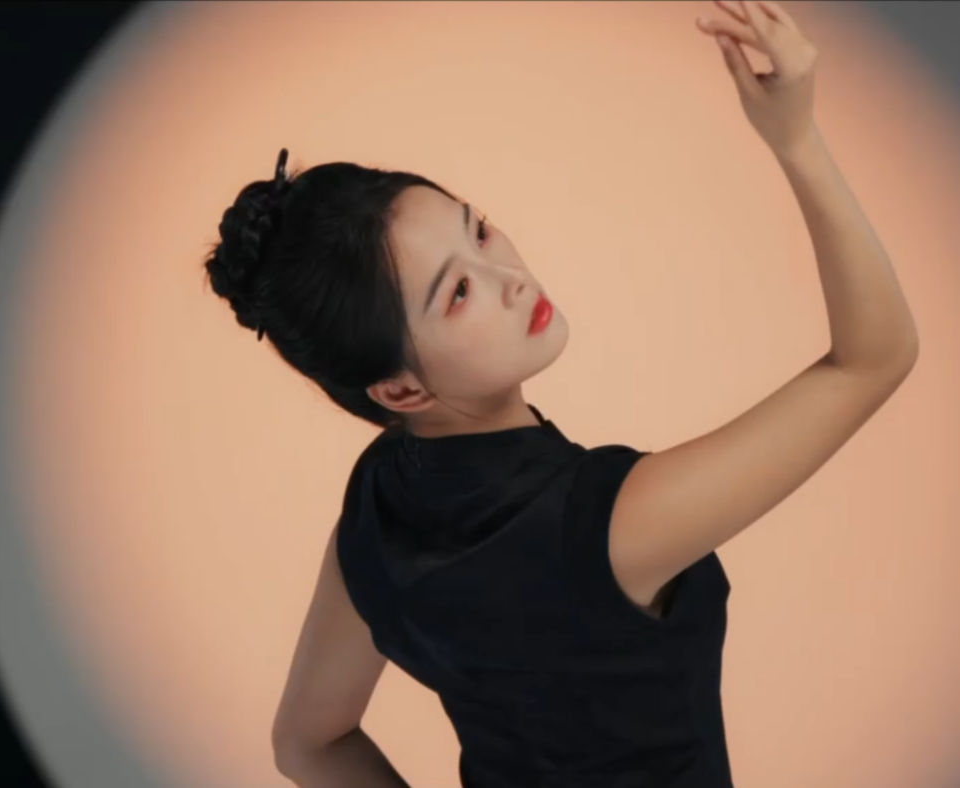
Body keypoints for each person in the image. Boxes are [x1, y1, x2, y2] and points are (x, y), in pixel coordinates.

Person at [207, 2, 917, 786]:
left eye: (479, 231)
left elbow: (307, 743)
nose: (510, 278)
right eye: (458, 294)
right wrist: (796, 137)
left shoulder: (376, 508)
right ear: (400, 388)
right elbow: (874, 359)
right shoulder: (606, 522)